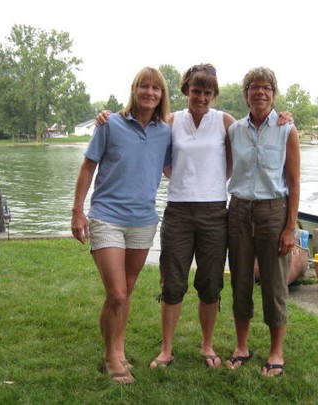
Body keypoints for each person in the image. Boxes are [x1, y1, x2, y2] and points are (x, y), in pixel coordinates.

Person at [97, 63, 234, 369]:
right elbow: (143, 134)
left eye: (207, 92)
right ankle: (166, 349)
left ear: (214, 94)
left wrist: (284, 118)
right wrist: (106, 116)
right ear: (186, 90)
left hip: (214, 211)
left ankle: (207, 345)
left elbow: (241, 151)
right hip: (179, 211)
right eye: (196, 91)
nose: (201, 97)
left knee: (210, 282)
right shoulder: (171, 121)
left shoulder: (224, 121)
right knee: (172, 282)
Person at [71, 66, 171, 384]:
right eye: (144, 86)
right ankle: (110, 357)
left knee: (127, 288)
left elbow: (176, 166)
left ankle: (119, 347)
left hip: (143, 220)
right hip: (107, 216)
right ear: (134, 89)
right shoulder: (109, 124)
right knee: (115, 293)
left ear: (162, 95)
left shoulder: (166, 132)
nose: (150, 92)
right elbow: (88, 168)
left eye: (156, 88)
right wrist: (77, 211)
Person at [225, 66, 300, 377]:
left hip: (273, 211)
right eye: (253, 87)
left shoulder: (286, 130)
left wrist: (290, 227)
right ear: (246, 94)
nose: (259, 92)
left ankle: (275, 352)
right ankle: (241, 347)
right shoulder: (234, 130)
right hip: (239, 210)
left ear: (274, 93)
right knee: (240, 280)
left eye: (266, 87)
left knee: (274, 284)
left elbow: (293, 182)